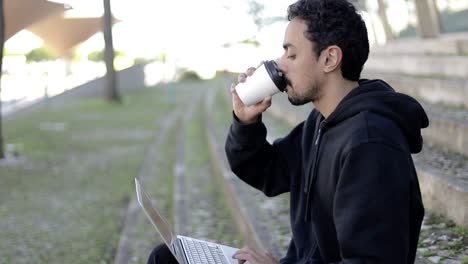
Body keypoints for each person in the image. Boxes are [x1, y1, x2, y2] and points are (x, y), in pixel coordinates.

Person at [225, 0, 429, 263]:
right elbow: (270, 172)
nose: (280, 65)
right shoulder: (321, 123)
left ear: (330, 58)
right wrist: (246, 123)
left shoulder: (370, 143)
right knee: (170, 256)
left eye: (291, 54)